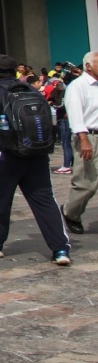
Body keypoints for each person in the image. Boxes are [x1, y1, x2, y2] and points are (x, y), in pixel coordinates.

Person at [0, 54, 70, 265]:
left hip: (5, 153)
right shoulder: (31, 90)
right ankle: (61, 249)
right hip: (36, 152)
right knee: (44, 199)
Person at [62, 51, 98, 235]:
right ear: (88, 66)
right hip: (88, 137)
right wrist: (84, 140)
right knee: (87, 183)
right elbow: (75, 115)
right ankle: (71, 213)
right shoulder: (78, 86)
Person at [46, 70, 72, 174]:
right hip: (62, 119)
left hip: (65, 120)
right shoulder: (62, 92)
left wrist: (52, 105)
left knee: (66, 144)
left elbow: (62, 105)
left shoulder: (65, 92)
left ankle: (66, 165)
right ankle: (69, 163)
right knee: (67, 143)